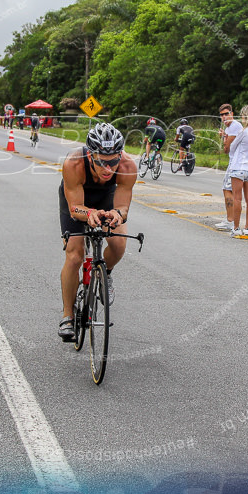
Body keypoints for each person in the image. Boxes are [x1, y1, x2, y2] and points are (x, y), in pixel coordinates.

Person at [58, 123, 137, 340]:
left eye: (113, 162)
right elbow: (74, 207)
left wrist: (117, 215)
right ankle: (67, 316)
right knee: (75, 255)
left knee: (119, 242)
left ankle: (105, 273)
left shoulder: (128, 166)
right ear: (91, 155)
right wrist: (89, 213)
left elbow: (122, 207)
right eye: (102, 161)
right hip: (76, 200)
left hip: (106, 197)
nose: (108, 169)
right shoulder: (73, 163)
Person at [226, 105, 248, 237]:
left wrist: (233, 158)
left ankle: (236, 227)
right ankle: (247, 228)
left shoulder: (243, 131)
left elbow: (233, 147)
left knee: (237, 199)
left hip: (239, 167)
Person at [214, 104, 244, 231]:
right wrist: (225, 136)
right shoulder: (232, 127)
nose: (224, 117)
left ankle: (230, 220)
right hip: (238, 161)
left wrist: (224, 138)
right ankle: (231, 220)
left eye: (226, 114)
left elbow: (226, 149)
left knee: (227, 190)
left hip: (235, 163)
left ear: (232, 113)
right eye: (222, 115)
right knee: (233, 192)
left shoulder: (234, 126)